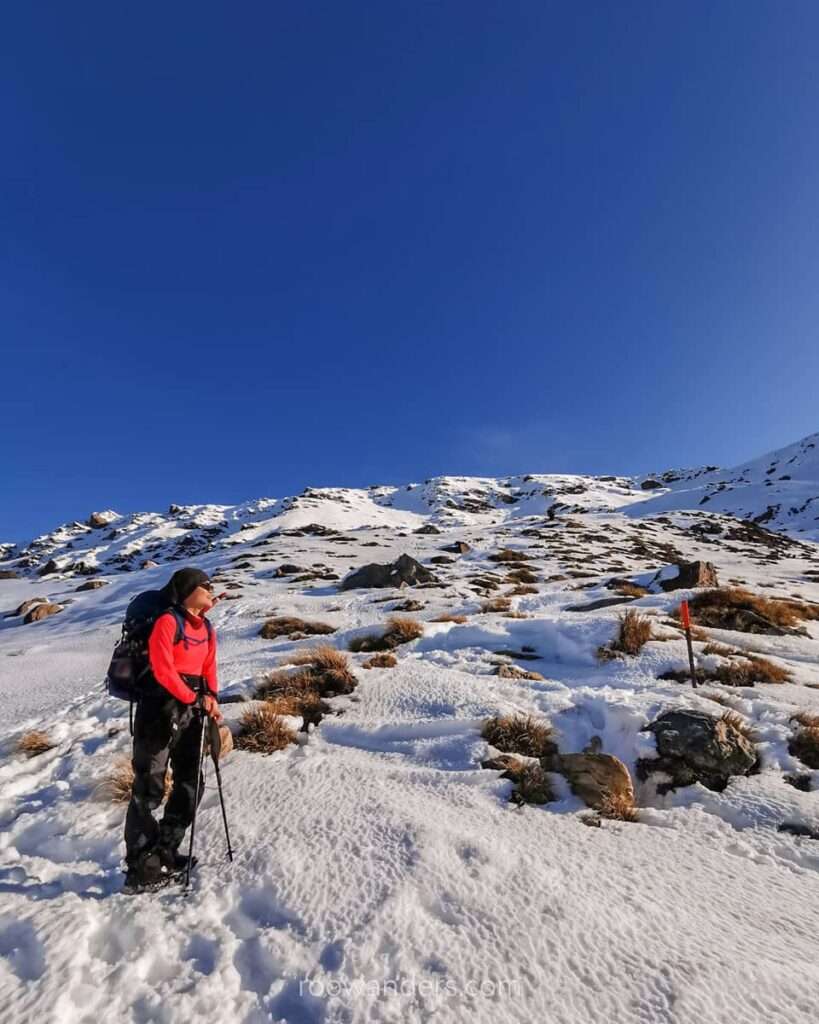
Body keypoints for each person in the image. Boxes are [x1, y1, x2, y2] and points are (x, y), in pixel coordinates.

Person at [123, 567, 222, 892]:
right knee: (148, 786)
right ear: (189, 589)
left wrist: (212, 698)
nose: (211, 589)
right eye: (205, 585)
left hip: (193, 708)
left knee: (191, 780)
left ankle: (165, 846)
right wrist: (192, 697)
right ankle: (141, 868)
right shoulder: (168, 621)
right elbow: (163, 668)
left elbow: (209, 668)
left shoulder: (206, 628)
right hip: (159, 708)